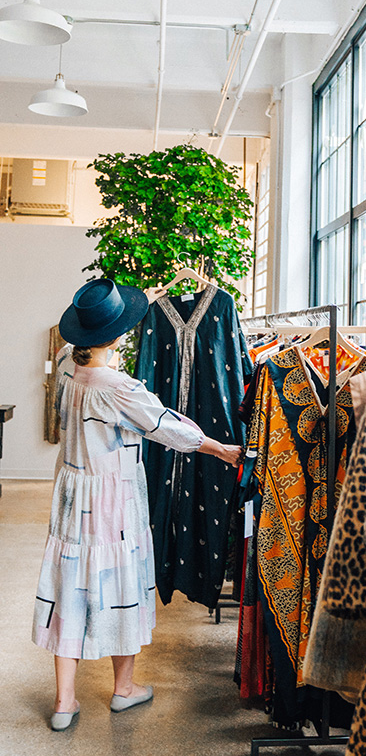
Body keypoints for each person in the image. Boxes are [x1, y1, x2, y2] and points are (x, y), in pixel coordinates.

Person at [32, 279, 242, 731]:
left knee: (70, 585)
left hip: (71, 495)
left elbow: (82, 353)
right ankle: (123, 689)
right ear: (115, 337)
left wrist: (140, 300)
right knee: (121, 583)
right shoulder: (119, 387)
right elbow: (168, 427)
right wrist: (220, 449)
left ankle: (65, 701)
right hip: (111, 498)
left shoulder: (68, 367)